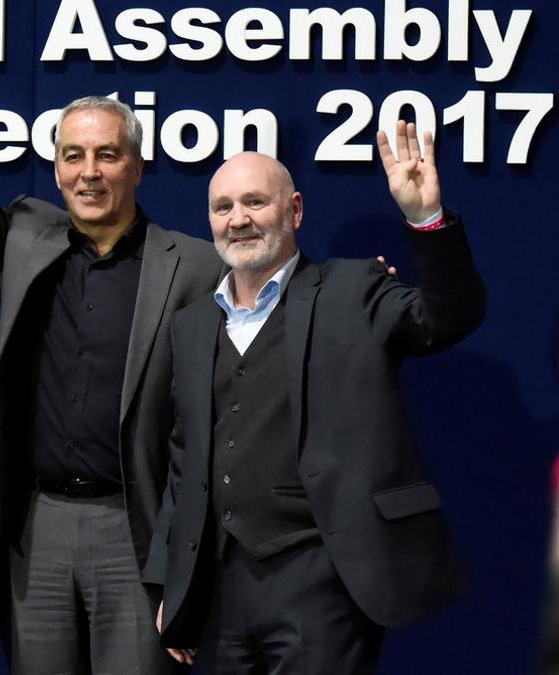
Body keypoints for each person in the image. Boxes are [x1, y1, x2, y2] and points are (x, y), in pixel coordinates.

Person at [0, 2, 223, 672]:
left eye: (107, 155)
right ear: (55, 166)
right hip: (36, 522)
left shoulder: (193, 265)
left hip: (134, 528)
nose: (89, 172)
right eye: (73, 156)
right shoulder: (24, 236)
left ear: (136, 165)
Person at [144, 121, 486, 673]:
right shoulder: (191, 325)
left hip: (323, 577)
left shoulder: (355, 290)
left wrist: (426, 218)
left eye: (256, 201)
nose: (239, 219)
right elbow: (185, 464)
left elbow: (449, 317)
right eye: (223, 206)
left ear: (295, 210)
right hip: (218, 589)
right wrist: (171, 584)